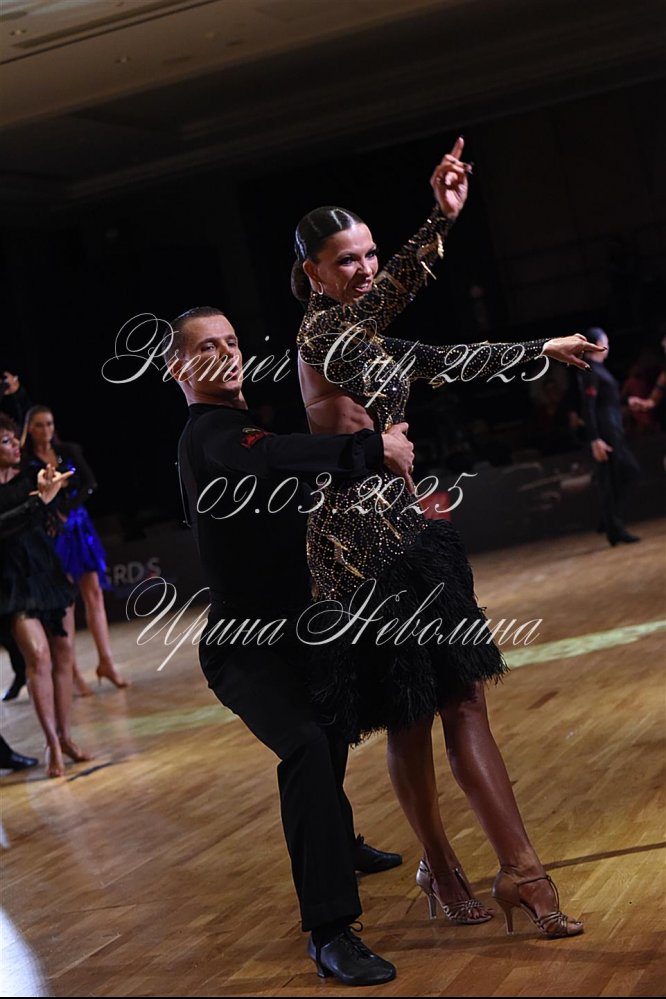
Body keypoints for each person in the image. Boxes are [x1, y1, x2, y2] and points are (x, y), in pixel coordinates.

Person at [290, 139, 600, 939]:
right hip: (357, 549)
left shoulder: (369, 339)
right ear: (313, 273)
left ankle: (523, 872)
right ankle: (439, 860)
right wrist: (441, 219)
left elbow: (442, 356)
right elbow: (393, 299)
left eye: (368, 253)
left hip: (414, 533)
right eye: (346, 259)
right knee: (410, 713)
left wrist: (542, 347)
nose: (364, 269)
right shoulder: (319, 335)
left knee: (465, 696)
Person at [168, 306, 415, 985]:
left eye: (232, 341)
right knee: (306, 743)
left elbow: (286, 475)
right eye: (207, 347)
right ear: (178, 367)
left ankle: (337, 842)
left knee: (331, 732)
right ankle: (330, 932)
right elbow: (271, 456)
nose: (226, 353)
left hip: (295, 628)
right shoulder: (213, 434)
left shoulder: (238, 434)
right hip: (242, 645)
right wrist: (370, 449)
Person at [0, 414, 92, 777]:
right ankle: (51, 743)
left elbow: (48, 517)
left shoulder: (30, 475)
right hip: (11, 581)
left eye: (13, 438)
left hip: (46, 571)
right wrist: (39, 501)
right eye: (5, 440)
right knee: (37, 657)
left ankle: (66, 737)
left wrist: (50, 496)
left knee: (63, 652)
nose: (14, 445)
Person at [22, 406, 128, 690]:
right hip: (53, 532)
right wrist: (55, 511)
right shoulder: (26, 461)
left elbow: (90, 483)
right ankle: (72, 672)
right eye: (40, 425)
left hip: (79, 526)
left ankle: (106, 662)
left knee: (94, 595)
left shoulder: (67, 450)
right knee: (66, 603)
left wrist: (66, 508)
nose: (46, 430)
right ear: (29, 429)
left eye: (49, 424)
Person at [576, 328, 641, 546]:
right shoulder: (590, 370)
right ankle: (614, 527)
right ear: (597, 345)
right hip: (605, 433)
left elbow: (608, 399)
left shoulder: (600, 369)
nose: (608, 347)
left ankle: (610, 520)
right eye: (606, 342)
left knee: (626, 473)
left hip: (614, 430)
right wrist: (595, 439)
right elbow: (588, 407)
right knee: (611, 479)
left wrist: (627, 402)